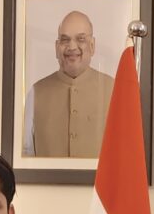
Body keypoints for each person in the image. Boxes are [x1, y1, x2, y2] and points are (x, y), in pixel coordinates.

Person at [24, 11, 116, 158]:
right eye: (65, 40)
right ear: (56, 47)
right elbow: (26, 153)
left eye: (81, 39)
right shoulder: (36, 92)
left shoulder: (114, 90)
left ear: (92, 46)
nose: (72, 47)